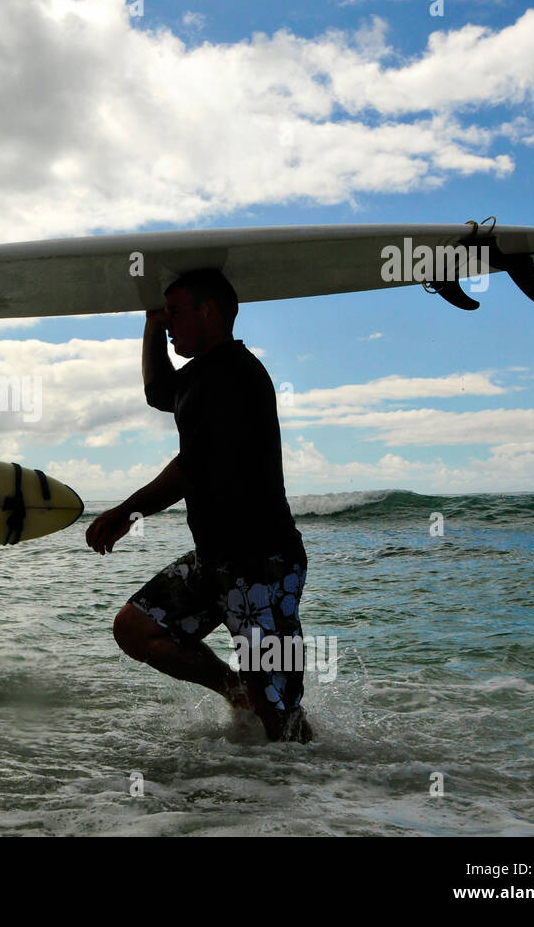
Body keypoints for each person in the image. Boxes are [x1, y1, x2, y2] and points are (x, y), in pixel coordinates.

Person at [85, 269, 312, 742]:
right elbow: (157, 391)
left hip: (261, 560)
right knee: (136, 629)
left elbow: (194, 466)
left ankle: (321, 796)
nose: (169, 323)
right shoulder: (199, 376)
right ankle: (235, 689)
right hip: (217, 557)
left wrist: (127, 512)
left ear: (209, 312)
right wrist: (150, 320)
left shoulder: (234, 374)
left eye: (175, 313)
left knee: (280, 717)